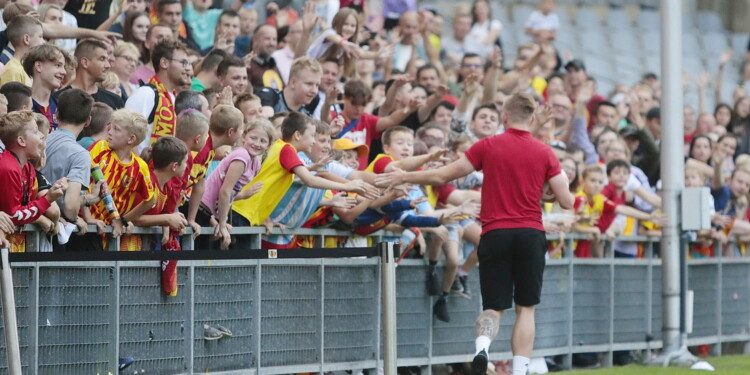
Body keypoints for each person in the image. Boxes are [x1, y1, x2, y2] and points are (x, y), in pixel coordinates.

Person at [374, 93, 574, 375]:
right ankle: (519, 371)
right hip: (530, 232)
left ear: (504, 117)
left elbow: (442, 176)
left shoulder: (488, 145)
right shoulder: (545, 152)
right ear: (532, 119)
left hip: (494, 233)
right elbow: (566, 202)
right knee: (526, 307)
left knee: (494, 306)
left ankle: (482, 348)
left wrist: (404, 176)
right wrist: (548, 193)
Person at [231, 112, 369, 228]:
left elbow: (285, 172)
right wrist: (347, 186)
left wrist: (311, 167)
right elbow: (309, 180)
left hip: (246, 212)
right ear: (297, 135)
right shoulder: (287, 150)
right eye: (311, 135)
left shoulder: (281, 147)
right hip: (243, 212)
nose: (313, 141)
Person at [199, 118, 274, 249]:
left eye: (263, 141)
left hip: (210, 214)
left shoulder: (255, 162)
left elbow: (230, 194)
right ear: (244, 136)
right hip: (202, 209)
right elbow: (224, 191)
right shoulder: (242, 157)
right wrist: (222, 224)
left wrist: (243, 195)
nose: (257, 143)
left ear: (268, 145)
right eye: (253, 138)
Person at [86, 109, 155, 251]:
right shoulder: (100, 147)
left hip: (111, 231)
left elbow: (150, 200)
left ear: (131, 139)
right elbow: (82, 183)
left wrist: (124, 220)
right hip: (90, 227)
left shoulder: (140, 167)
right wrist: (88, 218)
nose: (110, 132)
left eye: (116, 129)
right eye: (111, 127)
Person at [40, 89, 98, 251]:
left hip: (31, 225)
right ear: (88, 121)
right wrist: (85, 204)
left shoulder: (42, 140)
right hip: (52, 233)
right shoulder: (80, 154)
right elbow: (70, 206)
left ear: (56, 114)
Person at [135, 136, 189, 295]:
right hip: (130, 247)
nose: (187, 167)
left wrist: (169, 222)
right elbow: (133, 218)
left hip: (146, 248)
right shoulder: (148, 183)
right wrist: (167, 219)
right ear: (174, 166)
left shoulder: (167, 186)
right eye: (185, 162)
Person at [0, 110, 66, 228]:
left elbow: (25, 207)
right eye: (36, 131)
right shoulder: (8, 168)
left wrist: (51, 193)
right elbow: (14, 216)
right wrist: (48, 199)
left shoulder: (27, 167)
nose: (42, 135)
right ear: (21, 141)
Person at [126, 39, 191, 152]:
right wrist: (140, 168)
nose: (188, 68)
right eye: (183, 63)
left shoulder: (174, 98)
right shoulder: (146, 93)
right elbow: (127, 133)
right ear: (164, 63)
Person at [56, 39, 124, 109]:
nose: (108, 65)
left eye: (107, 60)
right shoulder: (58, 99)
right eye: (102, 59)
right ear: (85, 62)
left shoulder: (114, 100)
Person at [255, 56, 321, 117]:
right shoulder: (270, 97)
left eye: (317, 85)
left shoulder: (308, 111)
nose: (314, 90)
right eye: (309, 84)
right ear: (293, 83)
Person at [24, 44, 66, 131]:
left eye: (63, 67)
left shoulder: (61, 106)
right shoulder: (21, 104)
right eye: (58, 65)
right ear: (39, 66)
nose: (64, 72)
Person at [0, 16, 45, 87]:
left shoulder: (28, 68)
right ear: (26, 39)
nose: (43, 42)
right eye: (40, 36)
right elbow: (11, 97)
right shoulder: (13, 70)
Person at [247, 24, 283, 90]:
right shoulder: (247, 66)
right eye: (267, 38)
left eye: (274, 39)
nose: (271, 43)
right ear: (255, 40)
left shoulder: (272, 65)